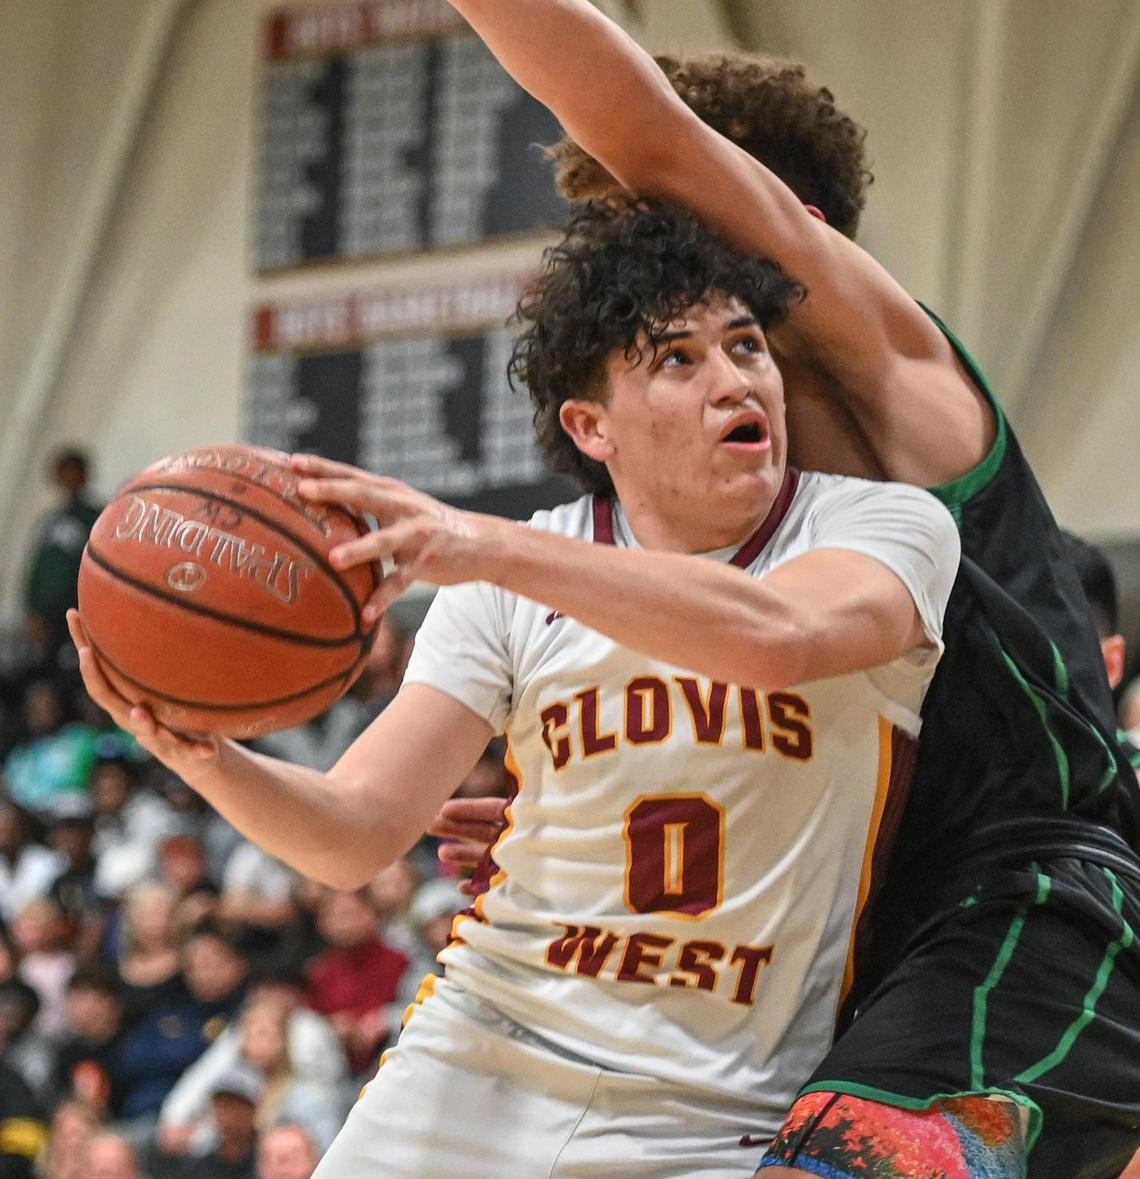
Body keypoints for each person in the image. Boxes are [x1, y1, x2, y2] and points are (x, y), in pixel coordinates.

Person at [70, 199, 960, 1174]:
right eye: (678, 359)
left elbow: (778, 636)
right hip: (480, 1051)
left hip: (720, 1103)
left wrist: (484, 544)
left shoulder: (883, 528)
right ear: (591, 425)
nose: (734, 380)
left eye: (746, 346)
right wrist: (199, 754)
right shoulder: (507, 583)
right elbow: (353, 832)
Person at [433, 3, 1140, 1175]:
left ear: (774, 218)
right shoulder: (716, 495)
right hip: (857, 944)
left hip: (1030, 903)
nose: (616, 282)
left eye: (642, 233)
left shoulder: (896, 381)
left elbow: (639, 120)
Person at [22, 447, 101, 660]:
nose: (69, 478)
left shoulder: (97, 518)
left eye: (74, 471)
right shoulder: (50, 521)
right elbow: (38, 568)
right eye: (64, 472)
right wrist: (32, 610)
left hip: (78, 614)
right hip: (46, 619)